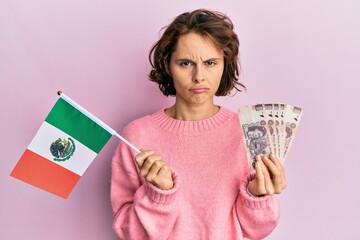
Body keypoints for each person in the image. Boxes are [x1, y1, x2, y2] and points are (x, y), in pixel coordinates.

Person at [111, 9, 287, 240]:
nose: (199, 76)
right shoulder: (137, 136)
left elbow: (257, 230)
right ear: (167, 64)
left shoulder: (248, 132)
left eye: (210, 63)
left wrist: (256, 196)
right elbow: (129, 233)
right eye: (185, 63)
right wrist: (158, 195)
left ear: (225, 64)